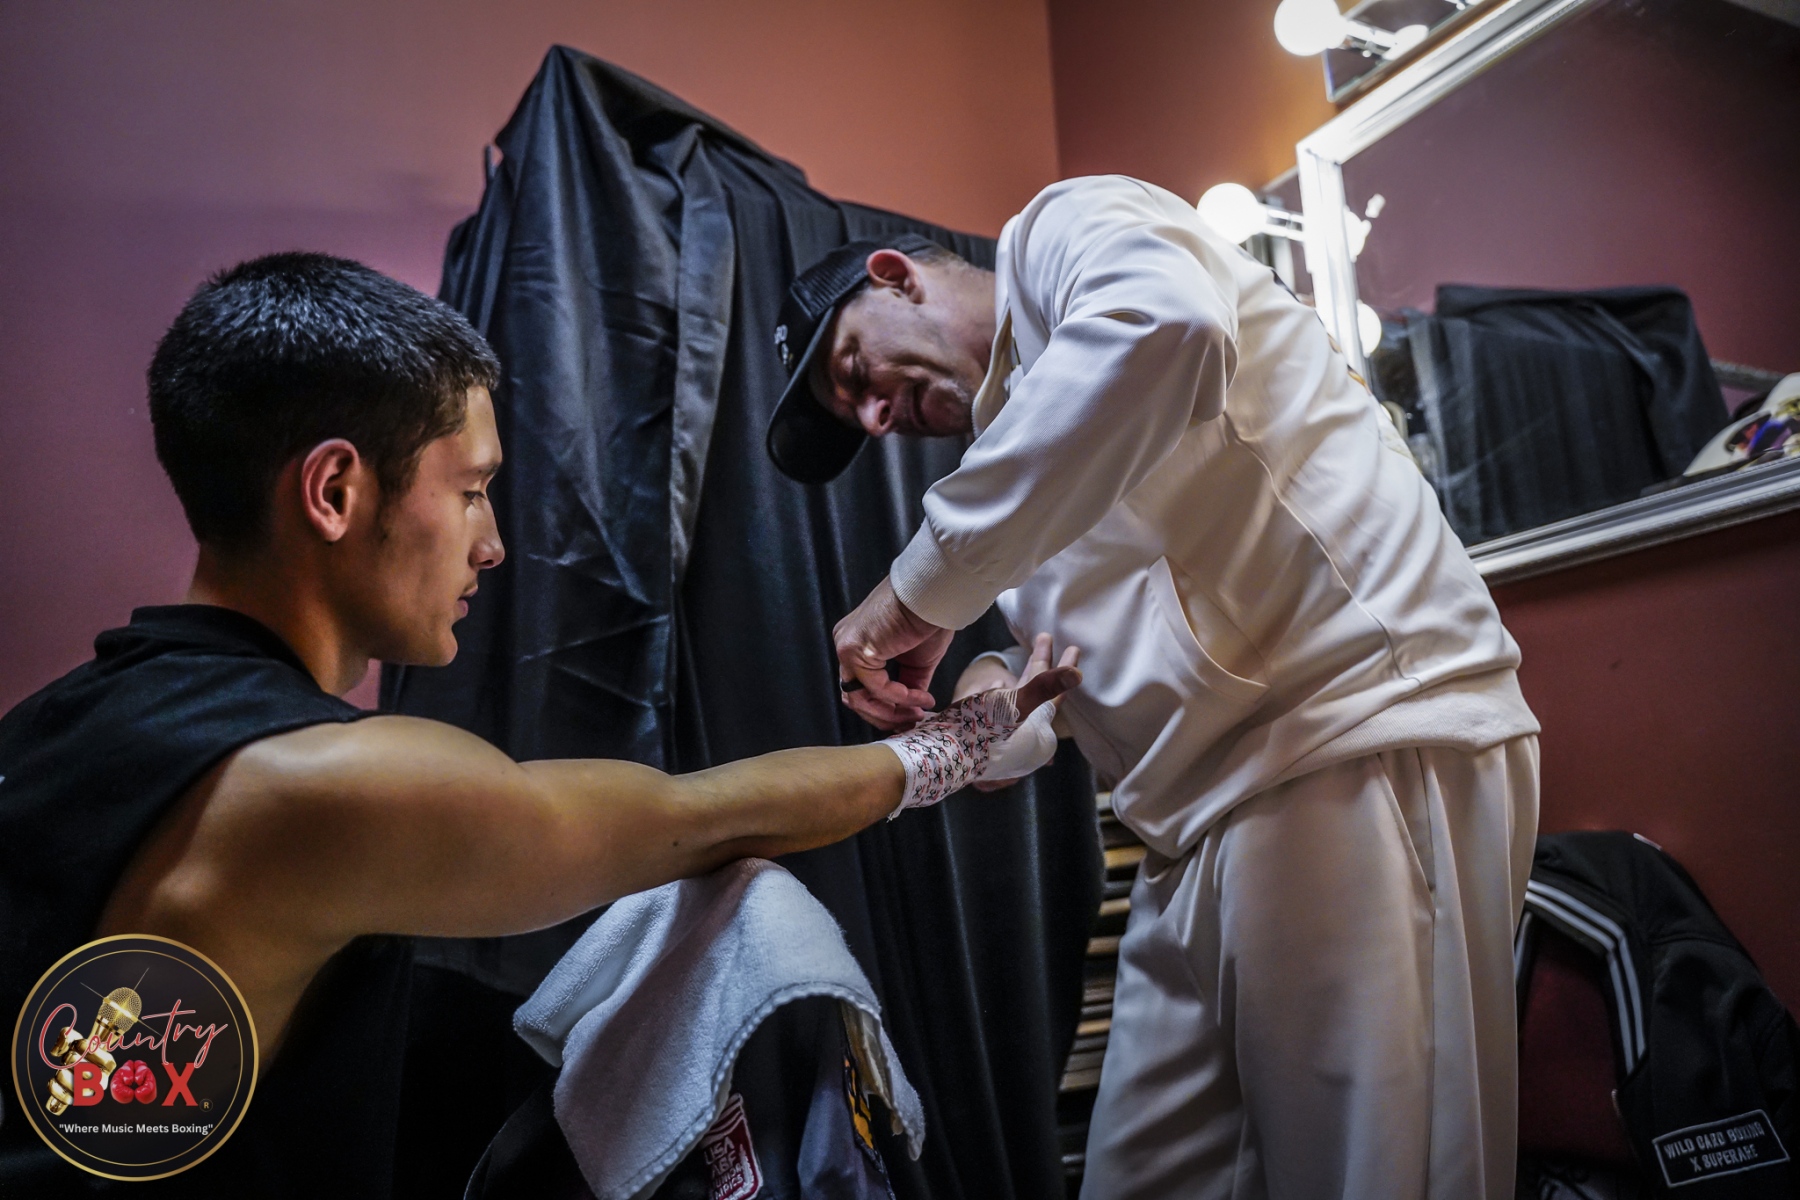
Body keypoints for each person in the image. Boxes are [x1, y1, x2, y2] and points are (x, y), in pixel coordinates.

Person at [0, 252, 1077, 1196]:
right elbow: (699, 815)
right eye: (472, 488)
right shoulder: (314, 787)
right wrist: (964, 740)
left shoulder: (51, 727)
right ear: (332, 490)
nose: (493, 544)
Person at [765, 177, 1542, 1199]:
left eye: (855, 371)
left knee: (1374, 1177)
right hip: (1195, 834)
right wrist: (991, 717)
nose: (873, 417)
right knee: (1142, 1176)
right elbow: (1065, 682)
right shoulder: (1019, 462)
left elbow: (1168, 326)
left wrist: (914, 592)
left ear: (894, 277)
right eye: (855, 413)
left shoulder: (1065, 233)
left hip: (1351, 740)